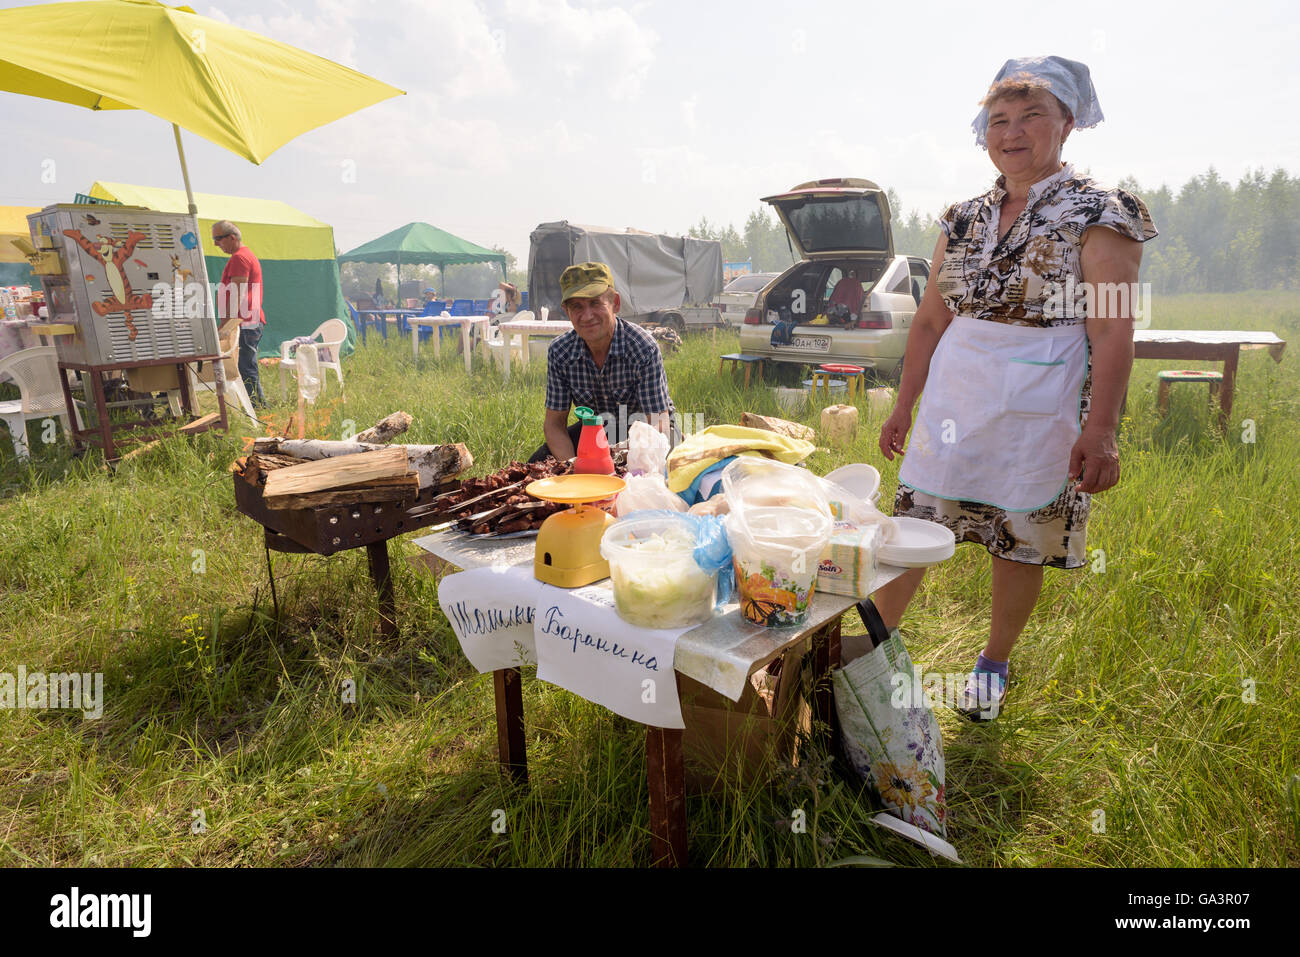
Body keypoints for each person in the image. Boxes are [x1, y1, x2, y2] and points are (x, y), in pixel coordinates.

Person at [871, 55, 1157, 720]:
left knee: (1020, 534)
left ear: (1068, 121)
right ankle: (871, 649)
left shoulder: (1100, 214)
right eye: (999, 119)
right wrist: (905, 403)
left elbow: (1113, 332)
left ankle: (992, 666)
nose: (1013, 131)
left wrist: (1103, 430)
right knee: (912, 525)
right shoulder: (963, 216)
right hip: (955, 396)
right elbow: (932, 318)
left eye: (1032, 115)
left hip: (1042, 400)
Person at [531, 262, 677, 463]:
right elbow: (554, 425)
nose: (587, 316)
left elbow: (657, 424)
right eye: (577, 307)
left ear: (615, 303)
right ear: (566, 311)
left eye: (595, 303)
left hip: (646, 431)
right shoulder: (560, 352)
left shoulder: (642, 346)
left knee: (660, 468)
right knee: (538, 462)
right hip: (596, 431)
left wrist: (613, 460)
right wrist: (573, 466)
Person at [212, 219, 266, 406]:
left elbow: (237, 294)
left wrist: (227, 325)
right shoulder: (244, 255)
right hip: (248, 320)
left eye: (218, 239)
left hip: (244, 321)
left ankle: (257, 407)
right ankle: (257, 405)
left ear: (232, 237)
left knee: (245, 367)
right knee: (246, 366)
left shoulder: (239, 258)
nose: (215, 244)